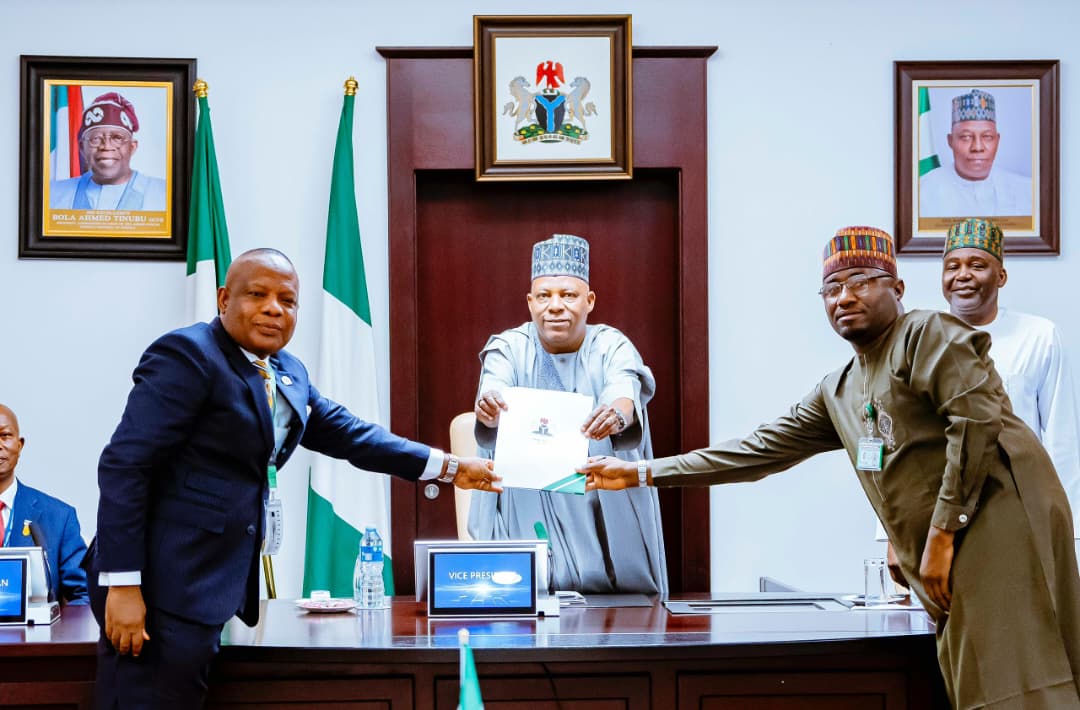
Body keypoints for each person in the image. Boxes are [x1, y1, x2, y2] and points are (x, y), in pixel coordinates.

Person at [581, 226, 1080, 709]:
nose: (845, 297)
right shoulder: (840, 387)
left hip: (998, 524)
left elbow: (974, 422)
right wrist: (642, 472)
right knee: (977, 682)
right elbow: (758, 449)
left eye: (862, 281)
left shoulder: (927, 334)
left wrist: (941, 536)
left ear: (898, 288)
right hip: (944, 549)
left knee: (1018, 683)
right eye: (832, 288)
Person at [85, 248, 500, 709]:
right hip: (159, 587)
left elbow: (351, 435)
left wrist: (451, 468)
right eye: (257, 295)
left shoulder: (287, 372)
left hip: (208, 591)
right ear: (224, 298)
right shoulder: (188, 355)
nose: (273, 309)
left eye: (287, 300)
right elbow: (126, 466)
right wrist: (122, 585)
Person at [469, 234, 667, 594]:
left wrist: (617, 415)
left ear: (589, 301)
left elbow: (625, 390)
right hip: (527, 504)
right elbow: (492, 385)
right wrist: (489, 406)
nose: (555, 306)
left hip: (599, 504)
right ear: (530, 303)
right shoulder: (509, 346)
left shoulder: (611, 344)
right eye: (544, 296)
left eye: (568, 295)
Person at [0, 403, 89, 605]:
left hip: (35, 635)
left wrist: (52, 631)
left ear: (20, 445)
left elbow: (84, 594)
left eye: (5, 435)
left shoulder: (59, 517)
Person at [920, 89, 1032, 217]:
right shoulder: (922, 193)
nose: (977, 147)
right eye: (966, 137)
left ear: (997, 140)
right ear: (950, 141)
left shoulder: (1028, 191)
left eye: (987, 136)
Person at [49, 91, 167, 211]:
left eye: (117, 138)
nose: (106, 146)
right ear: (82, 148)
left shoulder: (164, 194)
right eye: (95, 139)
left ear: (132, 147)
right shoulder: (52, 194)